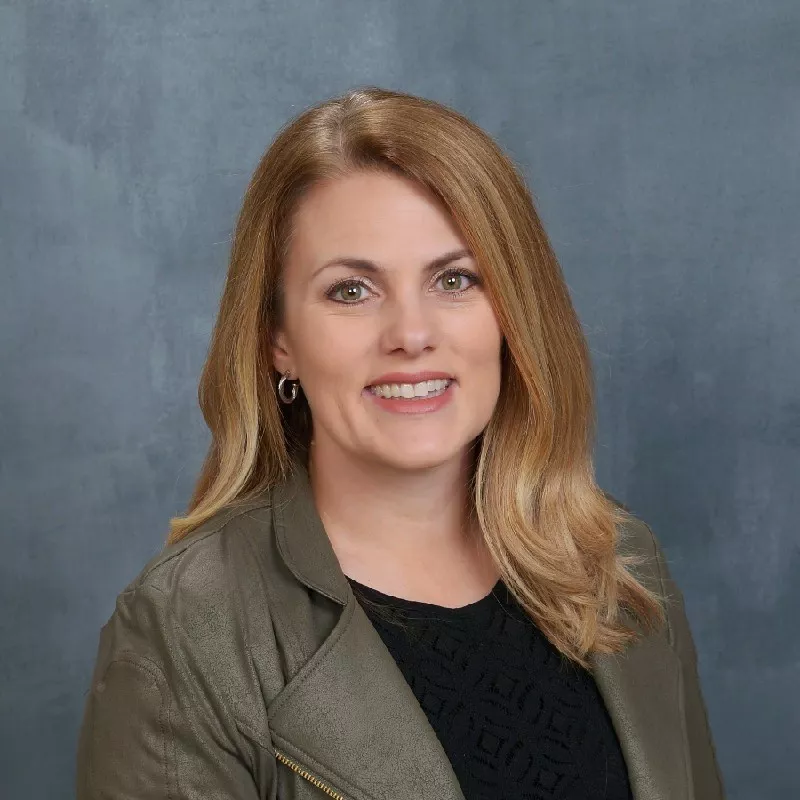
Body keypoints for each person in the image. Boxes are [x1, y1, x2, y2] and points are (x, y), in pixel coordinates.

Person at [76, 86, 725, 799]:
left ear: (513, 314)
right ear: (277, 339)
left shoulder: (623, 568)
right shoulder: (185, 631)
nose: (412, 335)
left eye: (455, 279)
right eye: (351, 291)